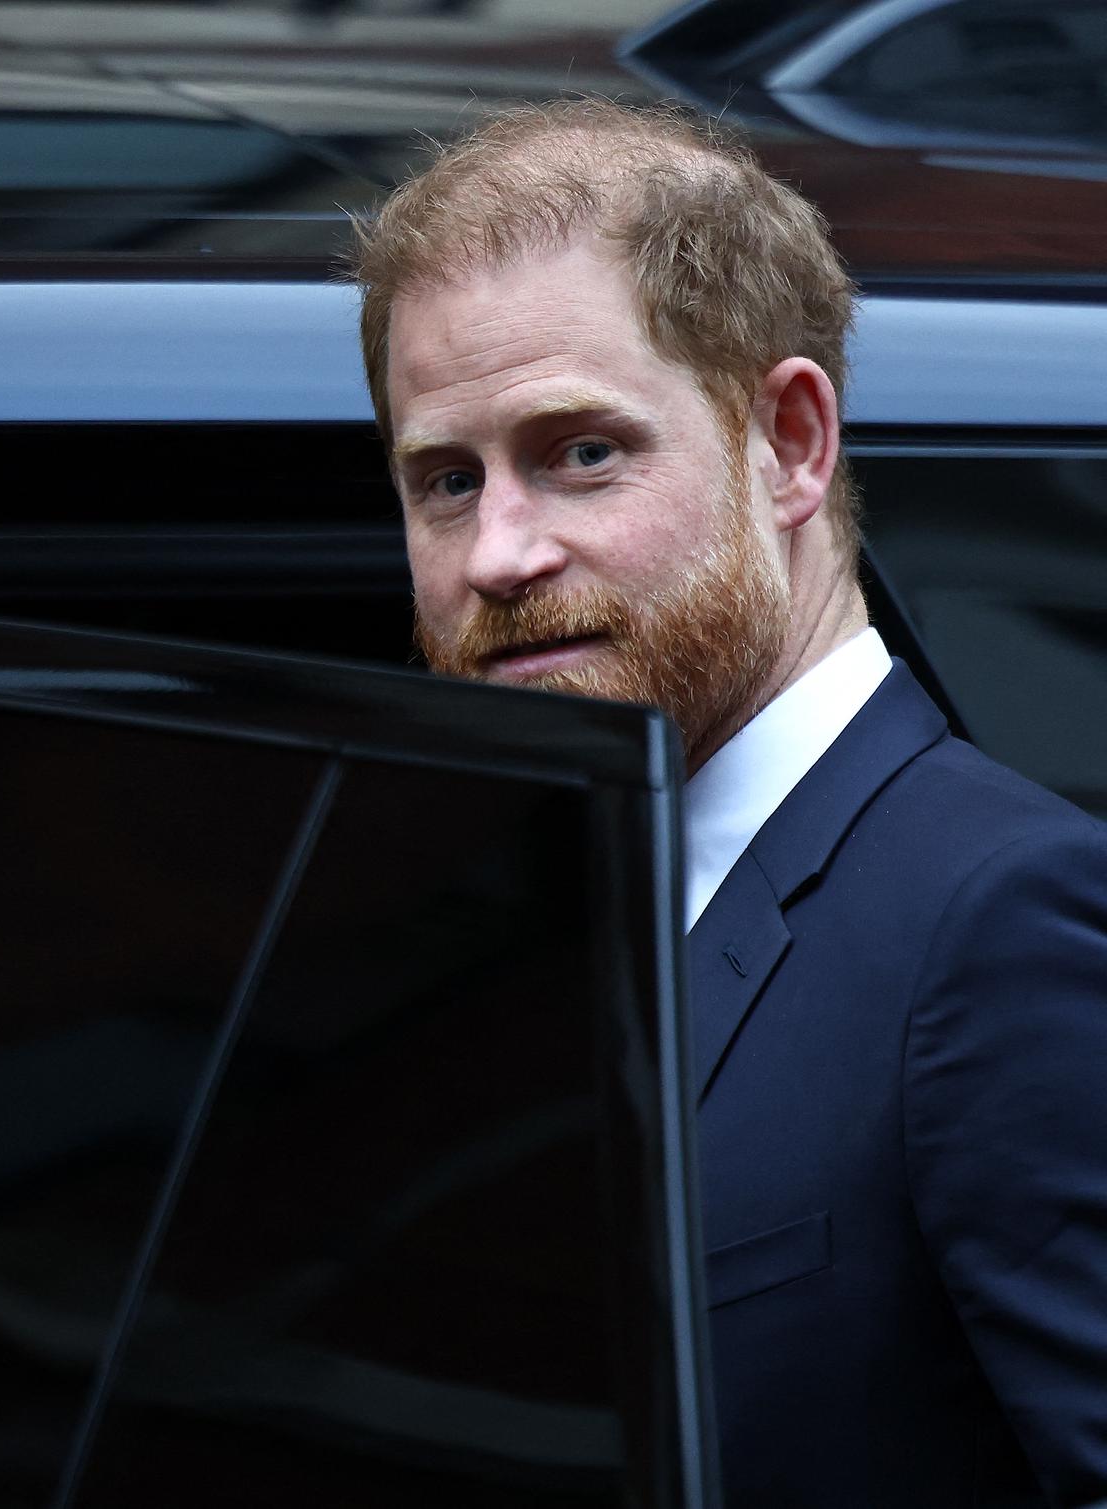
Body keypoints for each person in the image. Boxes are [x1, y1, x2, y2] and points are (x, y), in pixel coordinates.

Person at [351, 98, 1107, 1507]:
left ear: (791, 444)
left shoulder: (1001, 922)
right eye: (446, 481)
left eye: (581, 452)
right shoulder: (491, 911)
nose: (500, 552)